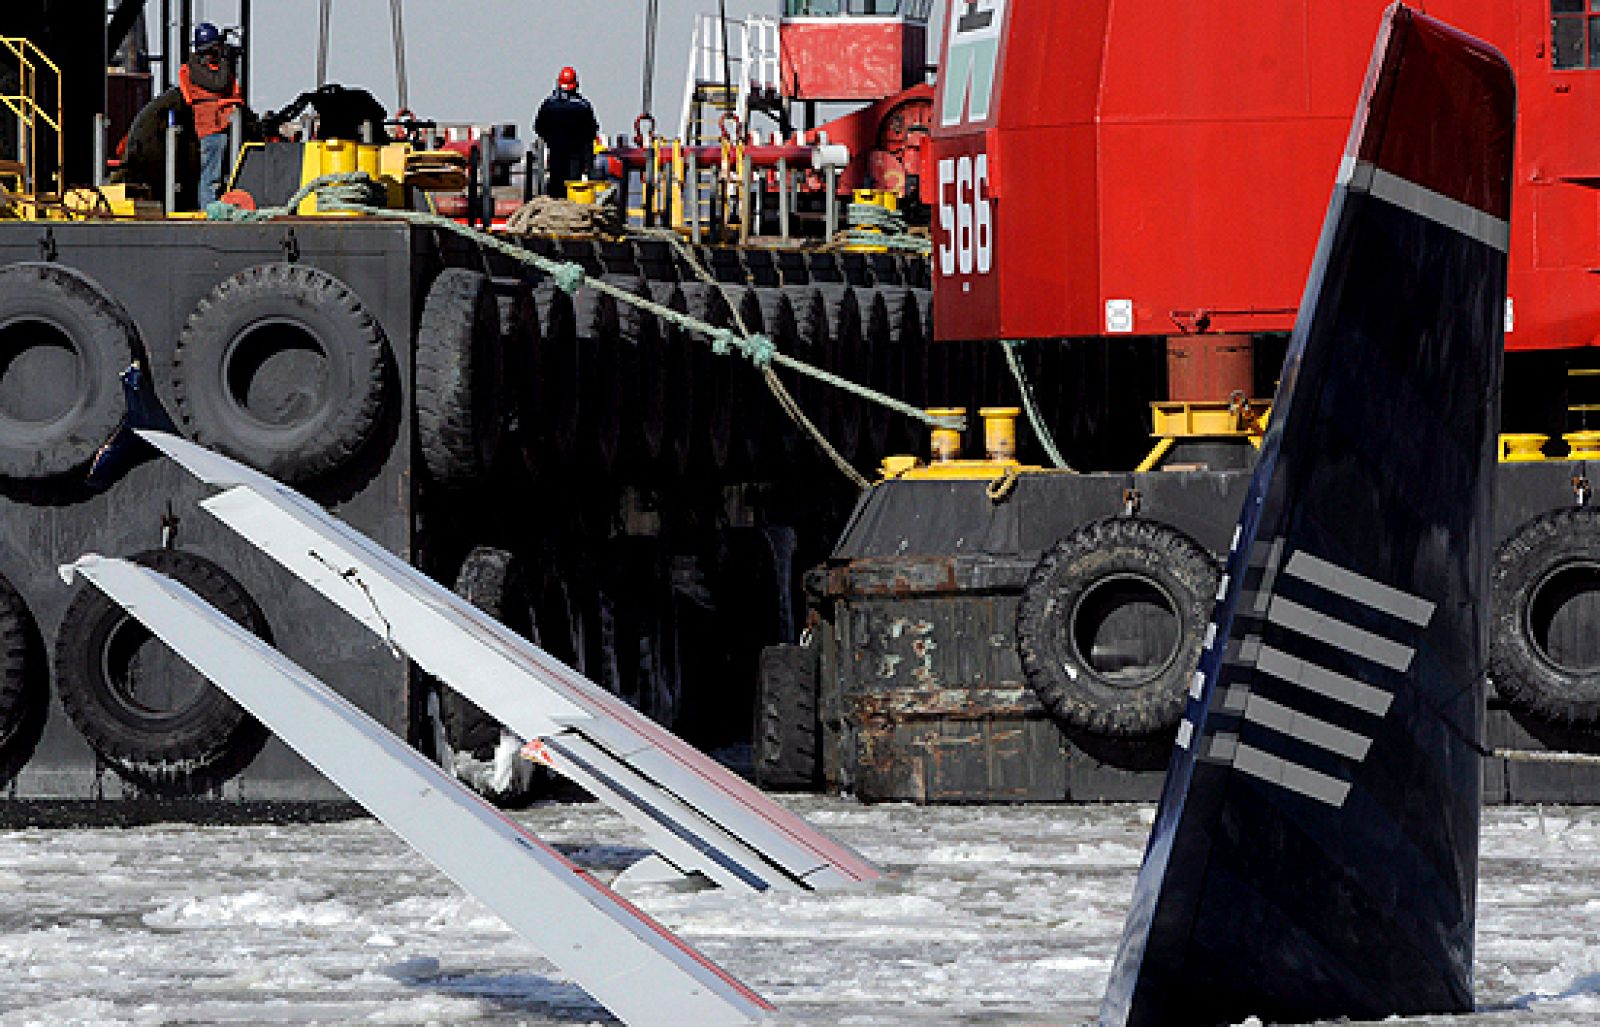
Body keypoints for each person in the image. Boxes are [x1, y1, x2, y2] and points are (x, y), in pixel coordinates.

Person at [178, 22, 241, 206]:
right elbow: (219, 84)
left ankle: (219, 204)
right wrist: (225, 60)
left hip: (221, 124)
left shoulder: (208, 67)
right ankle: (209, 207)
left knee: (220, 172)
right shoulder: (195, 69)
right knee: (211, 173)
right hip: (211, 127)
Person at [533, 66, 599, 199]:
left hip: (556, 153)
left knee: (556, 188)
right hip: (576, 156)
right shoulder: (583, 106)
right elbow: (591, 132)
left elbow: (539, 127)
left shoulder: (548, 104)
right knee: (573, 187)